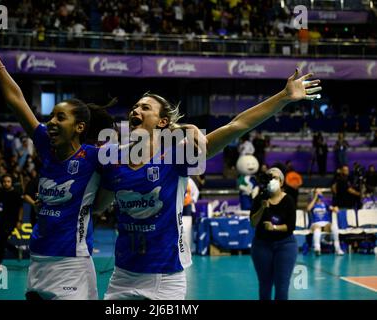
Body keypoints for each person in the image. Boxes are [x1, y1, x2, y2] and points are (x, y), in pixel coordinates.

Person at [95, 68, 322, 300]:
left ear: (163, 122)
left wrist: (283, 96)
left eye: (145, 107)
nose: (136, 110)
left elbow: (236, 126)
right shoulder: (112, 157)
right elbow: (97, 206)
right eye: (135, 106)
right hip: (123, 275)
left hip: (165, 276)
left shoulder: (177, 155)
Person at [0, 15, 115, 300]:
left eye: (60, 117)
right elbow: (16, 100)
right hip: (38, 260)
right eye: (51, 116)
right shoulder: (45, 145)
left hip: (72, 264)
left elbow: (135, 162)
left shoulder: (95, 157)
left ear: (79, 127)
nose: (51, 122)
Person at [249, 167, 297, 300]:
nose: (272, 180)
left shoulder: (289, 200)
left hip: (285, 245)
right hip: (261, 245)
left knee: (282, 285)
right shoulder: (260, 198)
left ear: (281, 182)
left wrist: (274, 227)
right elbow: (253, 223)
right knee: (265, 285)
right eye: (269, 177)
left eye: (275, 178)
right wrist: (262, 208)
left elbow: (291, 226)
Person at [0, 174, 24, 272]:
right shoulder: (1, 192)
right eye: (4, 181)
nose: (6, 183)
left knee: (2, 241)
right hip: (2, 220)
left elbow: (21, 208)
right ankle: (16, 250)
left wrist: (19, 221)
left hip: (12, 221)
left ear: (11, 183)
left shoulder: (16, 193)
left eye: (8, 181)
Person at [307, 188, 344, 256]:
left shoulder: (326, 203)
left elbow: (334, 209)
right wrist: (315, 198)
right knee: (317, 229)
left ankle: (337, 248)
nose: (319, 193)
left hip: (326, 223)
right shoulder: (313, 204)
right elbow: (308, 208)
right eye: (317, 192)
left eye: (320, 192)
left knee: (334, 226)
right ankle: (317, 248)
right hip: (316, 224)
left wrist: (335, 208)